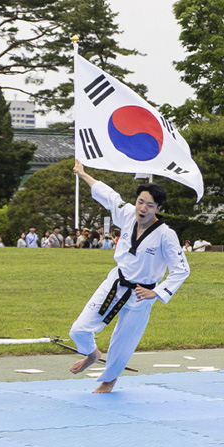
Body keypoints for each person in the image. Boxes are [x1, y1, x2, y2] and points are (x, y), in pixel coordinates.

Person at [66, 160, 190, 394]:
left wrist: (158, 292)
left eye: (149, 205)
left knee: (123, 343)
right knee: (78, 329)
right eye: (140, 202)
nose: (142, 208)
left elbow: (182, 269)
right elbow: (109, 195)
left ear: (158, 209)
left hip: (142, 295)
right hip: (116, 282)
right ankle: (92, 353)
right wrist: (83, 174)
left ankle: (108, 380)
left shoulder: (166, 235)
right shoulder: (127, 215)